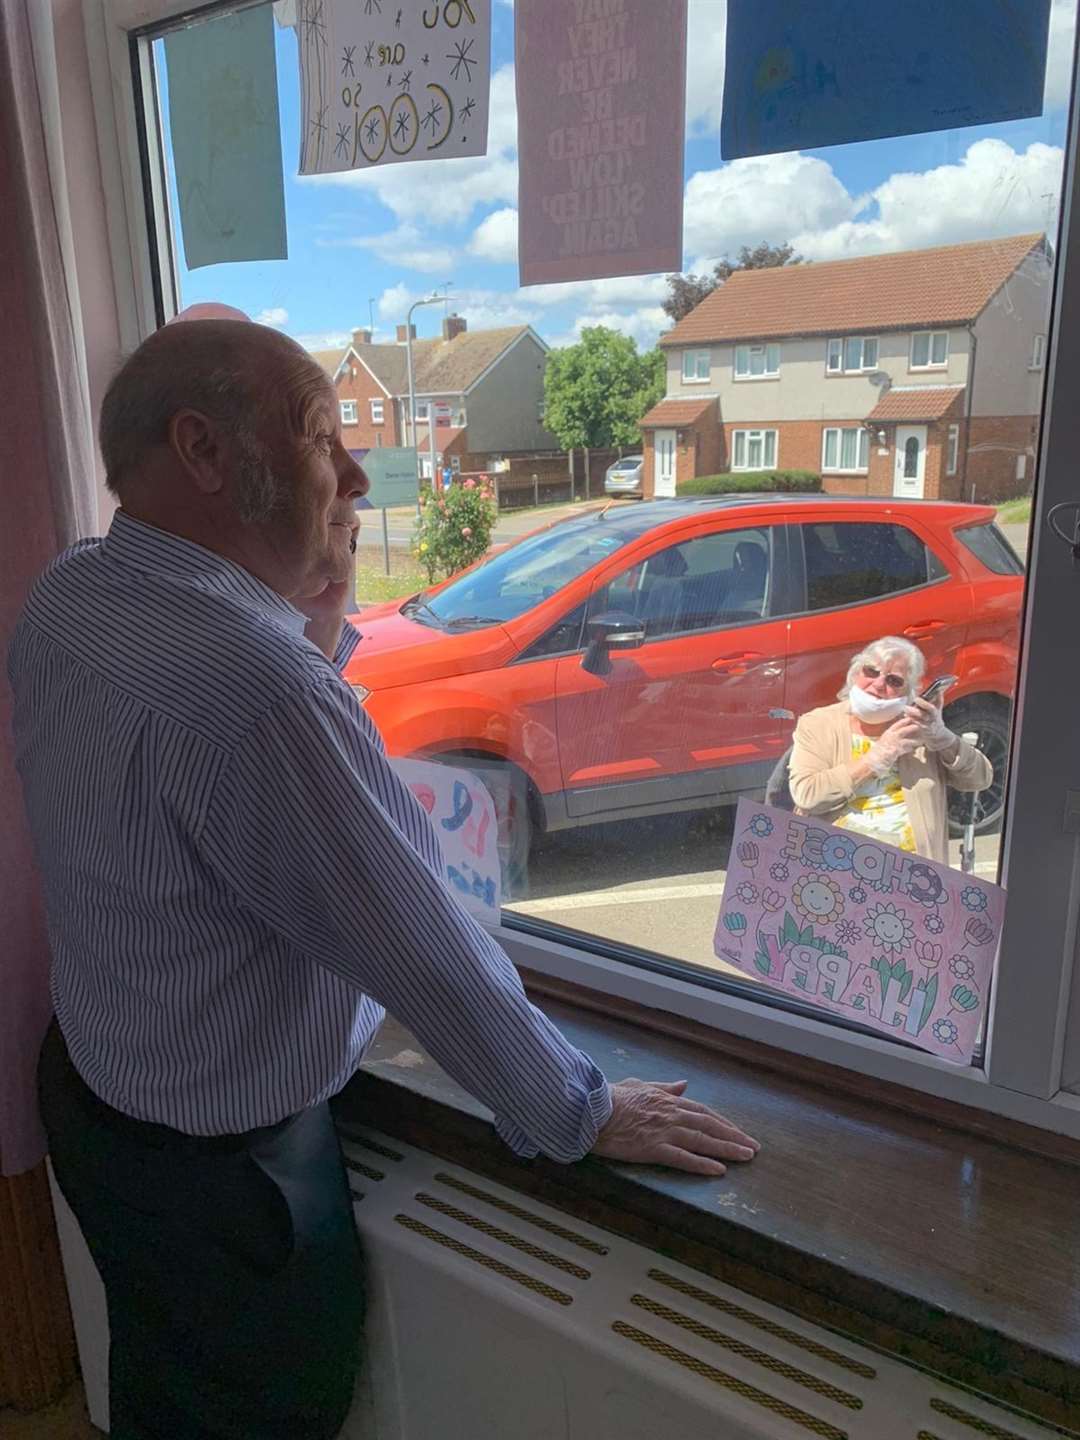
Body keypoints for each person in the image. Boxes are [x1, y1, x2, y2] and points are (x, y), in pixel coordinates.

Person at [8, 315, 759, 1440]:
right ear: (205, 451)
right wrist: (577, 1111)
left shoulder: (73, 590)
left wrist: (313, 614)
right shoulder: (259, 691)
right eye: (321, 437)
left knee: (163, 1385)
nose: (357, 475)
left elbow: (213, 821)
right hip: (226, 1184)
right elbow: (423, 949)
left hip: (91, 1096)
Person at [787, 636, 991, 863]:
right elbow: (807, 795)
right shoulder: (818, 723)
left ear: (910, 693)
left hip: (913, 867)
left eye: (894, 681)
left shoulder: (919, 729)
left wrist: (942, 737)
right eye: (871, 672)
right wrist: (877, 757)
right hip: (838, 864)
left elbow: (980, 778)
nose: (878, 684)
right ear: (855, 674)